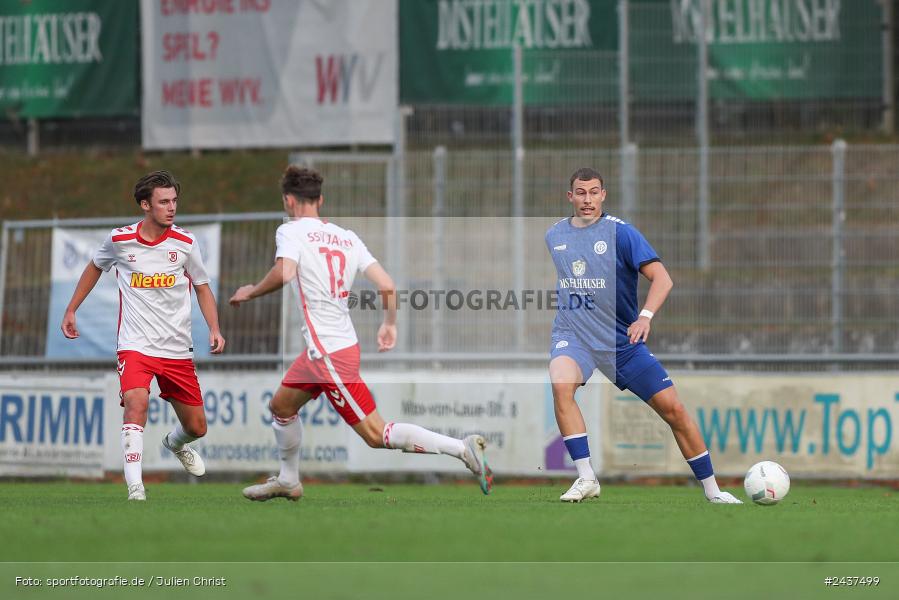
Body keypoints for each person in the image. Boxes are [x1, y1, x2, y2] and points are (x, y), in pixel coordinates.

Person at [229, 166, 492, 500]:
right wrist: (390, 323)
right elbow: (387, 285)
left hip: (328, 353)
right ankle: (289, 479)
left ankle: (461, 448)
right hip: (327, 349)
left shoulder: (291, 231)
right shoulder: (347, 237)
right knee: (282, 406)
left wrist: (251, 291)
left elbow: (285, 272)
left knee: (374, 433)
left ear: (288, 200)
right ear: (320, 200)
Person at [545, 167, 741, 504]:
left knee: (674, 410)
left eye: (594, 192)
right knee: (561, 383)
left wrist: (644, 317)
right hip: (575, 336)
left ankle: (713, 491)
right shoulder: (554, 236)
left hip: (622, 342)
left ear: (604, 195)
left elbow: (662, 279)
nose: (587, 199)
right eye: (581, 192)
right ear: (570, 196)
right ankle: (586, 476)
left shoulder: (623, 234)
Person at [61, 170, 225, 501]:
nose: (172, 207)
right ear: (145, 205)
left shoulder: (186, 243)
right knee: (136, 402)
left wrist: (214, 328)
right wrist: (71, 309)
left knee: (197, 427)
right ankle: (136, 487)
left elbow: (203, 288)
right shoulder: (120, 240)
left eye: (174, 201)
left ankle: (174, 443)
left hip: (177, 349)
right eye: (164, 202)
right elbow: (95, 266)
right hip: (135, 345)